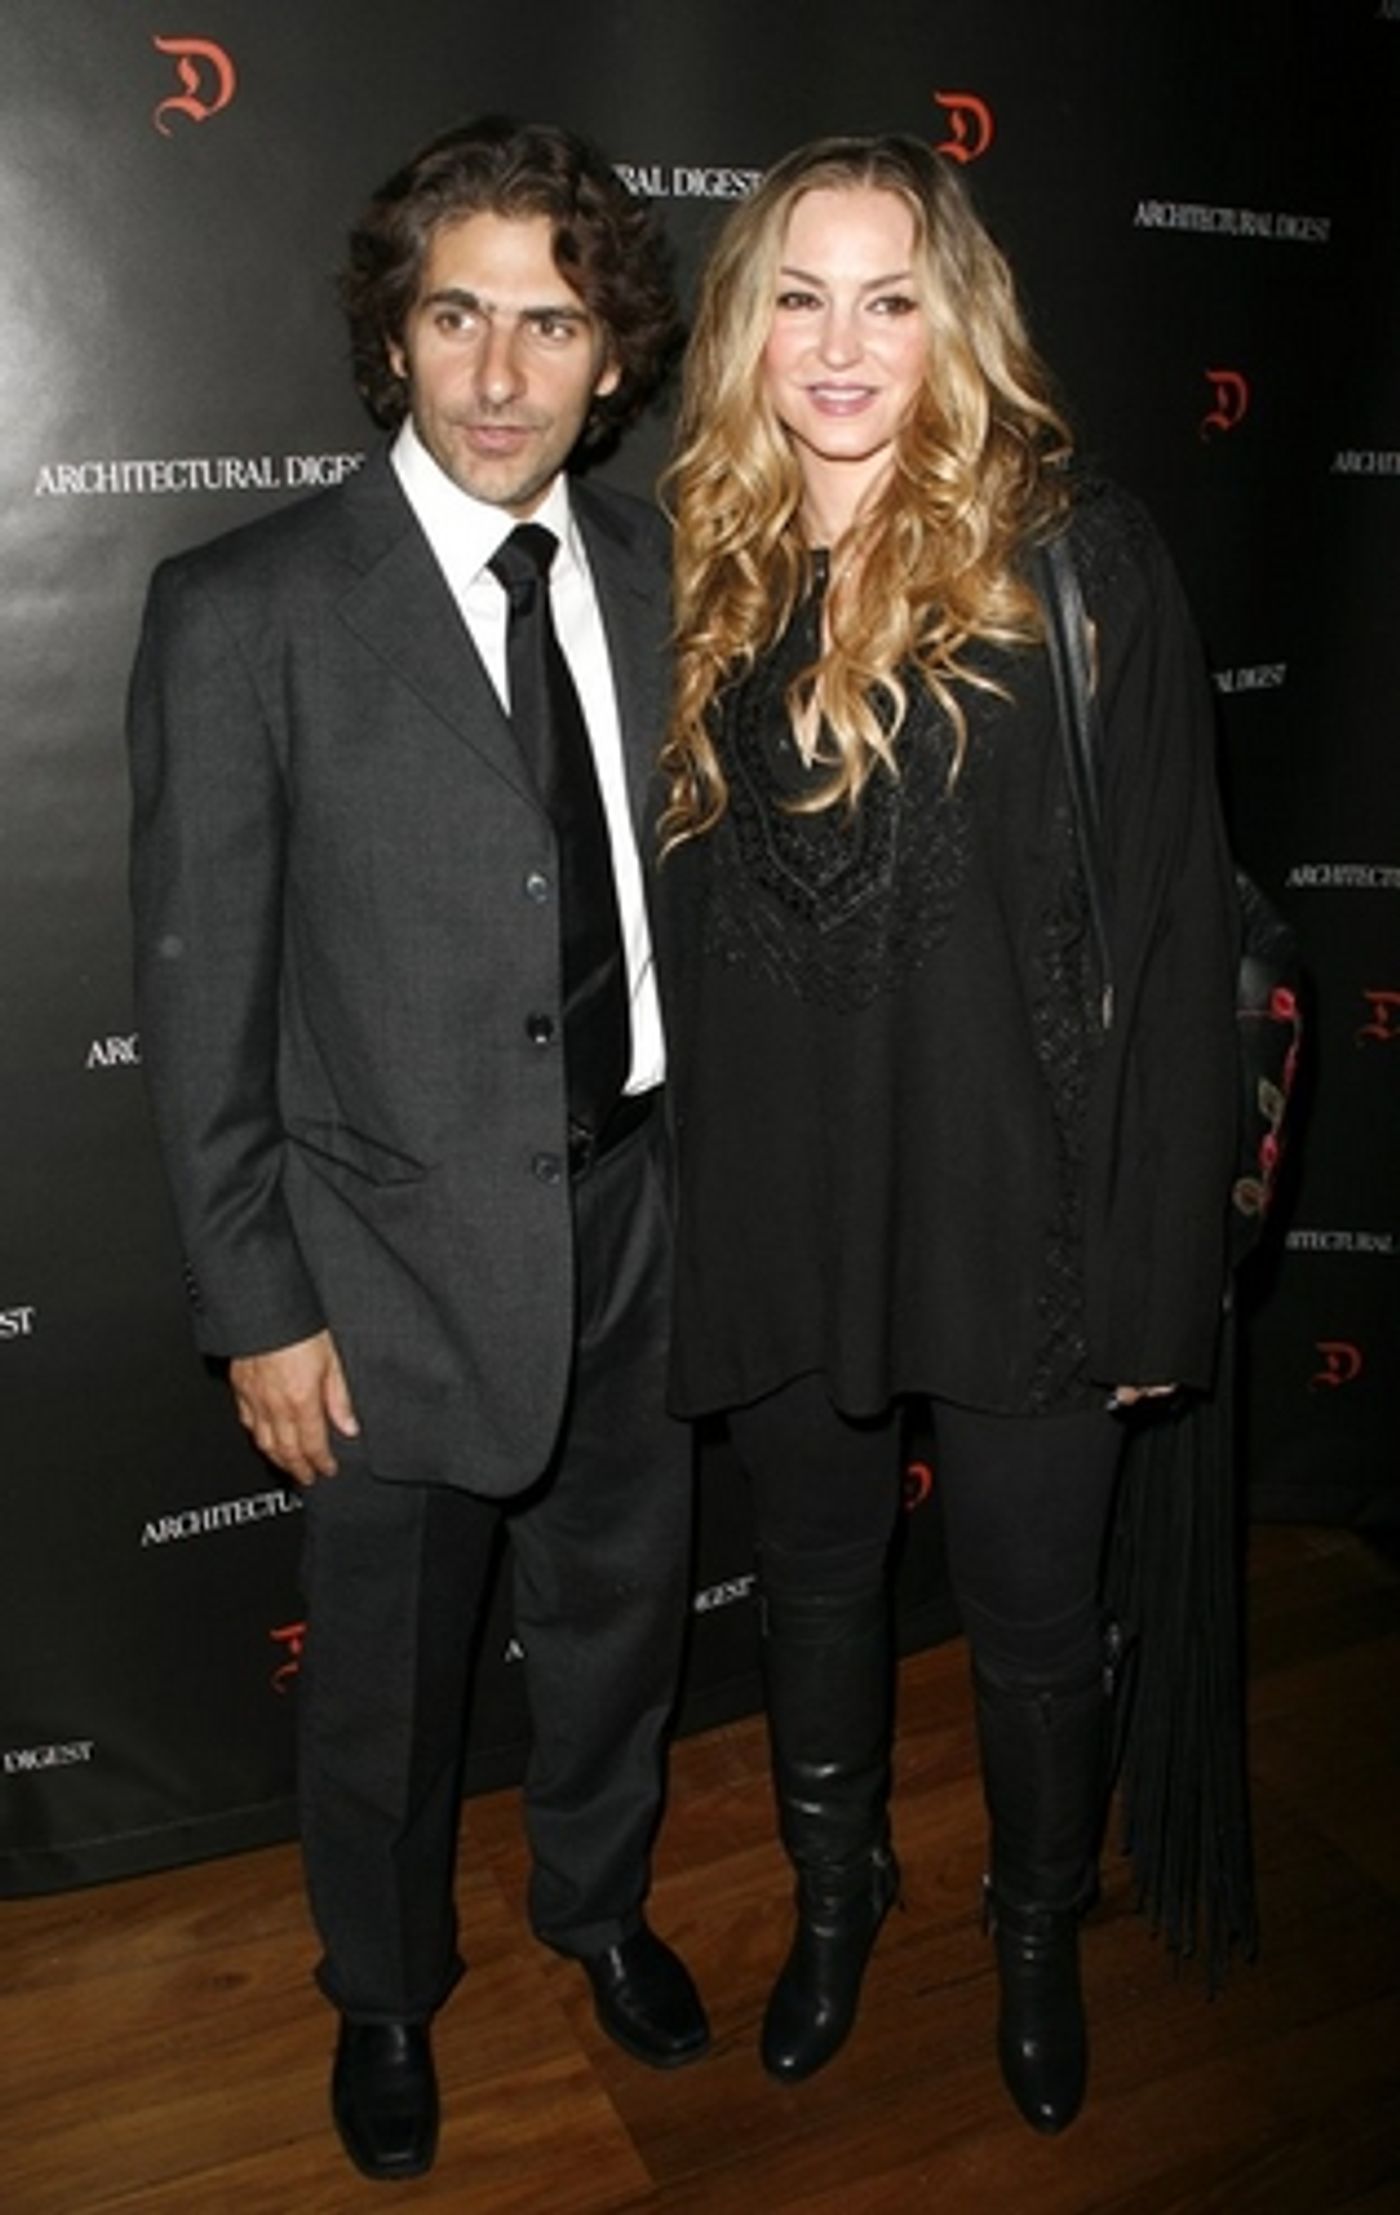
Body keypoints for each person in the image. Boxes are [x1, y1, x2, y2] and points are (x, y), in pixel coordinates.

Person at [128, 116, 707, 2184]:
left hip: (647, 1212)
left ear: (611, 358)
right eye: (456, 316)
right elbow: (200, 994)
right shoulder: (249, 610)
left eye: (549, 324)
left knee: (621, 1618)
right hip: (382, 1263)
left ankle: (597, 1904)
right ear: (392, 335)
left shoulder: (663, 567)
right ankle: (381, 1991)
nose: (498, 372)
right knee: (381, 1679)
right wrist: (257, 1304)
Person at [658, 134, 1238, 2133]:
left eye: (888, 299)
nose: (841, 345)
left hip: (1025, 1213)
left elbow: (1172, 933)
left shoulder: (1079, 560)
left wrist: (1160, 1265)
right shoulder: (693, 566)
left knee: (1034, 1626)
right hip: (780, 1209)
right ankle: (838, 1900)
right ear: (745, 329)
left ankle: (1033, 1931)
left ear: (954, 319)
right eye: (799, 298)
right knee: (813, 1586)